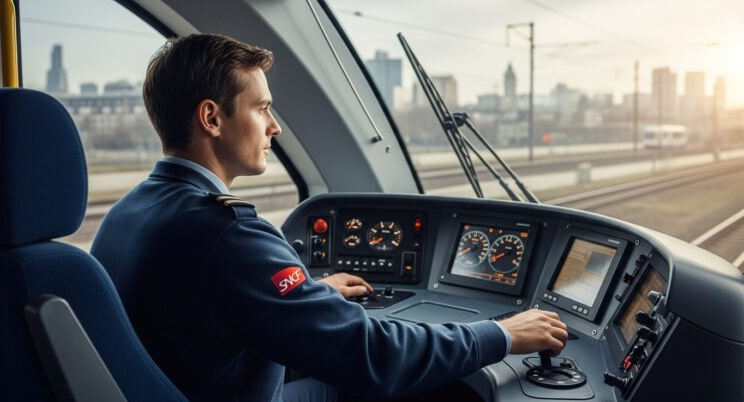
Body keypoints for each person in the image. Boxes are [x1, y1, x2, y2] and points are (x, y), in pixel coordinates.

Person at [91, 34, 568, 402]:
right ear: (212, 119)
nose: (275, 126)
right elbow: (376, 356)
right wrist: (503, 333)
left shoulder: (130, 212)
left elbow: (216, 303)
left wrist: (311, 293)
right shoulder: (228, 234)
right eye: (261, 108)